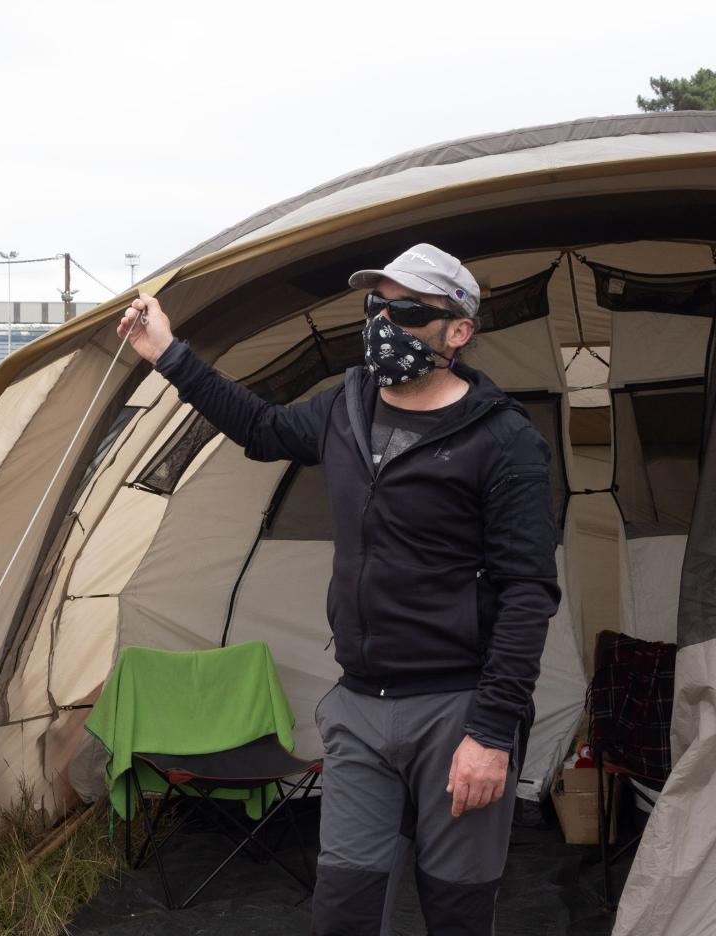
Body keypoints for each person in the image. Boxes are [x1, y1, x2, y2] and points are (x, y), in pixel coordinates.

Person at [118, 244, 560, 935]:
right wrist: (168, 353)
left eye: (409, 309)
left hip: (457, 711)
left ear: (460, 331)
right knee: (345, 910)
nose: (386, 322)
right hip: (359, 707)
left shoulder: (503, 440)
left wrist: (491, 732)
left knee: (457, 912)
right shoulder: (346, 407)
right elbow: (261, 428)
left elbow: (528, 591)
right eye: (376, 305)